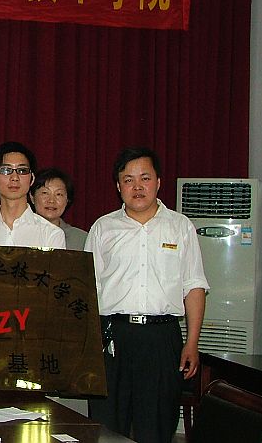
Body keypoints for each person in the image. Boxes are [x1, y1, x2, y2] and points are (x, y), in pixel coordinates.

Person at [84, 147, 209, 443]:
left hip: (161, 339)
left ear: (158, 182)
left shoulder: (180, 227)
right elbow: (87, 288)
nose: (137, 186)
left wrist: (192, 343)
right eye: (128, 180)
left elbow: (194, 286)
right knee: (106, 428)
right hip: (111, 337)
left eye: (145, 178)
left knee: (156, 427)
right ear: (118, 186)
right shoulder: (103, 228)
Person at [0, 141, 65, 249]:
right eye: (6, 170)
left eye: (22, 170)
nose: (14, 177)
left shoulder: (51, 234)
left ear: (32, 179)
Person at [30, 167, 87, 250]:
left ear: (67, 200)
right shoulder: (19, 232)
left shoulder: (81, 239)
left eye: (59, 194)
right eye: (45, 193)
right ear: (32, 197)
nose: (51, 200)